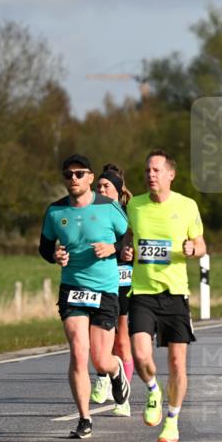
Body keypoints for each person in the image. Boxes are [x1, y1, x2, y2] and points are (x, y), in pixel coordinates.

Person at [39, 154, 130, 439]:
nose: (74, 179)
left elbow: (129, 237)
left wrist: (113, 248)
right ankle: (84, 418)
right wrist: (54, 254)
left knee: (100, 359)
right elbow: (44, 248)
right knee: (79, 353)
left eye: (79, 174)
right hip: (72, 289)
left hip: (104, 289)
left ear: (90, 177)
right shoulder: (55, 212)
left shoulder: (108, 207)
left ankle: (115, 371)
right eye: (68, 174)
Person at [127, 149, 206, 442]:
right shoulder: (134, 206)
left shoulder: (187, 206)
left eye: (156, 170)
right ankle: (152, 391)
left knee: (176, 361)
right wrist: (126, 250)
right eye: (148, 170)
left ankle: (172, 420)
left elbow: (200, 244)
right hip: (143, 292)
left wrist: (192, 250)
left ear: (170, 174)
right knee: (141, 354)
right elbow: (127, 237)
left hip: (175, 293)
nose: (150, 175)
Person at [89, 164, 136, 416]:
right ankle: (103, 377)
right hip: (97, 280)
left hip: (123, 278)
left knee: (121, 339)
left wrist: (129, 251)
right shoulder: (90, 212)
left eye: (105, 186)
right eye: (98, 187)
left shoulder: (130, 213)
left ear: (118, 191)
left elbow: (137, 242)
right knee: (96, 335)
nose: (100, 190)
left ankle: (122, 400)